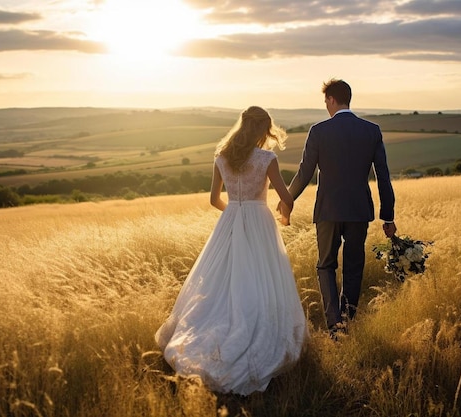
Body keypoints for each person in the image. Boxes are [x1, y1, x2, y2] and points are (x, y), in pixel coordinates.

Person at [155, 106, 308, 395]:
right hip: (260, 223)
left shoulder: (222, 157)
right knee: (260, 280)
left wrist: (235, 214)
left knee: (218, 283)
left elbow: (214, 200)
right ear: (263, 129)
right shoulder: (267, 159)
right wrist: (284, 216)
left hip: (230, 222)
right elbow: (286, 196)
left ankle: (202, 337)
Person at [279, 79, 397, 339]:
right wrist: (388, 215)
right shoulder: (372, 130)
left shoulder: (319, 131)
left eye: (325, 102)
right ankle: (348, 318)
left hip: (328, 211)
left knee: (326, 266)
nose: (326, 107)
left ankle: (335, 326)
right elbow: (383, 176)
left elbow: (304, 172)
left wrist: (286, 200)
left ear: (331, 99)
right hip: (358, 211)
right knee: (354, 267)